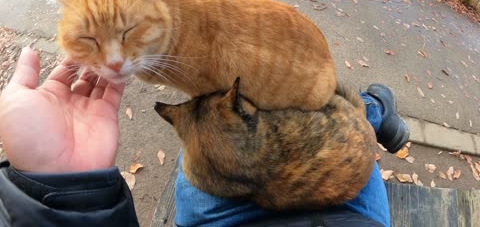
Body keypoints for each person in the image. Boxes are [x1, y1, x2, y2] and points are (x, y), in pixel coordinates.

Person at [0, 47, 409, 226]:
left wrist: (64, 183)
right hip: (346, 214)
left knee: (195, 156)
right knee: (306, 95)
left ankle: (374, 111)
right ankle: (374, 110)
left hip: (228, 214)